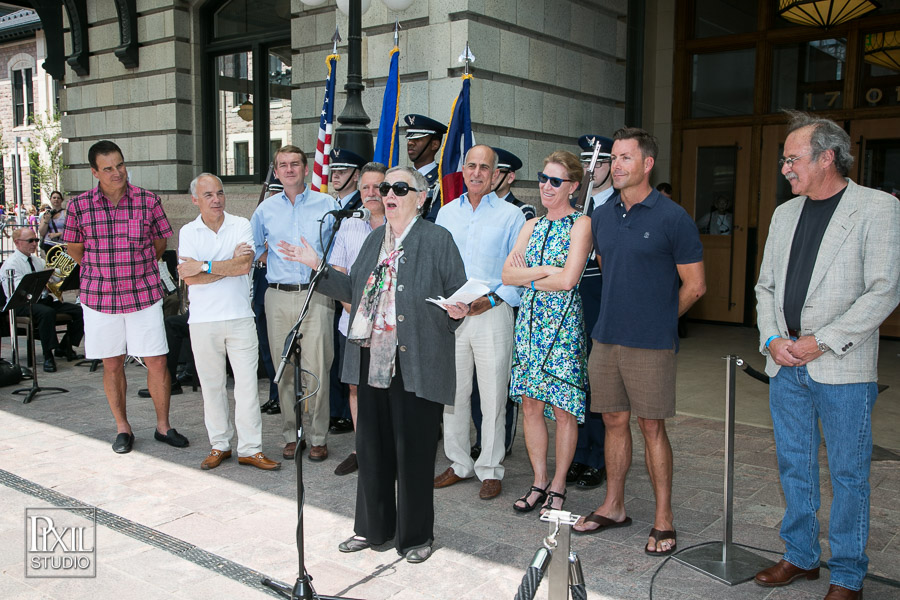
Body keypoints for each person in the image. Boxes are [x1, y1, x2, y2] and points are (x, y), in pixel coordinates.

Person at [277, 166, 468, 564]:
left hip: (416, 361)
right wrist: (318, 266)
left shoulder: (437, 239)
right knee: (372, 447)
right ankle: (372, 528)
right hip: (370, 360)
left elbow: (459, 295)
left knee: (413, 452)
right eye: (386, 188)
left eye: (400, 188)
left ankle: (416, 537)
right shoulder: (373, 240)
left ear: (421, 196)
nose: (389, 194)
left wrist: (460, 308)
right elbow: (352, 291)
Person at [753, 112, 900, 600]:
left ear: (827, 157)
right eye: (784, 160)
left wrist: (823, 340)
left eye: (793, 159)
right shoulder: (784, 214)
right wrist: (773, 339)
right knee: (794, 464)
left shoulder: (876, 209)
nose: (785, 169)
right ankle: (800, 556)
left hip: (841, 364)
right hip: (784, 363)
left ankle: (848, 575)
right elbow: (765, 287)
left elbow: (884, 291)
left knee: (848, 473)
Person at [572, 128, 706, 560]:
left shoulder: (673, 217)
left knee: (651, 427)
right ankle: (614, 505)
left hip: (650, 344)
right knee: (613, 421)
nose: (617, 165)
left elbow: (696, 286)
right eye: (614, 158)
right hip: (606, 339)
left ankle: (664, 518)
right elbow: (607, 267)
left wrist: (660, 320)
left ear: (647, 164)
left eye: (626, 157)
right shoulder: (604, 215)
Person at [62, 140, 188, 454]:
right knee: (112, 363)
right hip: (99, 298)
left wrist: (135, 266)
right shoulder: (78, 206)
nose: (117, 172)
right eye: (108, 168)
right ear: (95, 172)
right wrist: (104, 269)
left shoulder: (148, 200)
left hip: (143, 294)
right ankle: (123, 428)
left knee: (157, 361)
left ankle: (163, 426)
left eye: (120, 164)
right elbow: (74, 250)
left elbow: (160, 244)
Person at [433, 145, 526, 501]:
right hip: (452, 314)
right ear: (462, 170)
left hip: (492, 312)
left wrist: (489, 299)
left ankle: (490, 468)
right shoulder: (445, 213)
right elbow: (437, 264)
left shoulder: (511, 216)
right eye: (470, 166)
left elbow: (516, 273)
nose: (476, 173)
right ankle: (459, 464)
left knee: (492, 396)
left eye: (484, 167)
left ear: (495, 174)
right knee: (452, 396)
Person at [502, 150, 592, 515]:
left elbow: (570, 279)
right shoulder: (529, 225)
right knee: (531, 405)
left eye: (555, 181)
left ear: (572, 186)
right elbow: (507, 276)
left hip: (562, 327)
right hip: (529, 325)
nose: (546, 186)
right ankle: (539, 480)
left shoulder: (581, 224)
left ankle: (558, 485)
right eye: (543, 178)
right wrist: (543, 270)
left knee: (564, 409)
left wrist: (530, 275)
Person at [178, 173, 280, 472]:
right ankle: (219, 445)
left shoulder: (241, 225)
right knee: (212, 387)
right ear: (195, 199)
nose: (216, 199)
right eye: (208, 195)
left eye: (220, 193)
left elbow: (244, 265)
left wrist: (206, 265)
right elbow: (188, 276)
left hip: (239, 317)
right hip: (203, 321)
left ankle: (251, 449)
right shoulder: (188, 231)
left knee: (248, 387)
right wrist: (227, 265)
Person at [251, 145, 338, 462]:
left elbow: (336, 248)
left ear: (305, 168)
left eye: (295, 164)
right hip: (277, 296)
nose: (289, 170)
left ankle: (317, 436)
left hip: (316, 294)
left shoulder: (326, 205)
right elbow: (256, 247)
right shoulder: (264, 210)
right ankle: (291, 434)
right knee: (283, 368)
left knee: (316, 368)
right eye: (282, 165)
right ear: (276, 171)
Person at [329, 162, 387, 476]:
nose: (370, 193)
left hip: (389, 327)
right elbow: (338, 272)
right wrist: (350, 305)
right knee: (355, 388)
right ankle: (361, 448)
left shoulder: (399, 226)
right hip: (351, 321)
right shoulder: (348, 225)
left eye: (377, 186)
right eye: (365, 187)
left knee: (386, 388)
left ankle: (387, 450)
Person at [567, 134, 615, 491]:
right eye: (587, 163)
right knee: (573, 378)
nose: (591, 169)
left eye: (598, 163)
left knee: (596, 380)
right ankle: (578, 453)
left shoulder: (617, 206)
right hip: (570, 296)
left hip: (600, 296)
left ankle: (598, 457)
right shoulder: (572, 204)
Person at [1, 228, 85, 372]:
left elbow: (55, 279)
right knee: (46, 313)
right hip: (22, 304)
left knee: (80, 310)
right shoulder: (11, 264)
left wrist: (65, 262)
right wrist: (41, 284)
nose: (34, 244)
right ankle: (48, 356)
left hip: (43, 301)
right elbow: (18, 292)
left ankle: (64, 347)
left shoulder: (38, 261)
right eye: (30, 241)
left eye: (36, 240)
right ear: (17, 243)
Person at [327, 146, 368, 436]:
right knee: (350, 377)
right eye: (334, 170)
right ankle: (358, 440)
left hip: (379, 319)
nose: (335, 175)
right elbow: (338, 269)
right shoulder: (344, 217)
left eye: (342, 170)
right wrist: (348, 304)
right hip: (347, 310)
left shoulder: (371, 216)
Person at [403, 113, 446, 221]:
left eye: (418, 139)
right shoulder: (402, 176)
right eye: (409, 138)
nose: (410, 143)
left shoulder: (442, 180)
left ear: (434, 145)